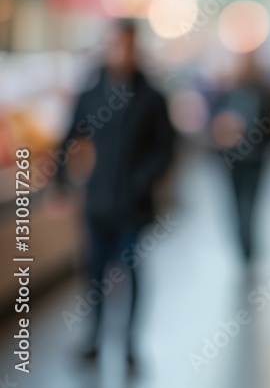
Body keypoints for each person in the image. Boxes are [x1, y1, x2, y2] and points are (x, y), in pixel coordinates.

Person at [53, 19, 176, 371]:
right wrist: (62, 184)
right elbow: (68, 137)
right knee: (94, 274)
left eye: (126, 46)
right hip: (96, 203)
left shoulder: (151, 95)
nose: (120, 52)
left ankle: (130, 343)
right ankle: (93, 338)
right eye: (114, 45)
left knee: (132, 273)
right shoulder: (91, 92)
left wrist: (143, 179)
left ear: (135, 48)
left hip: (134, 207)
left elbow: (166, 148)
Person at [209, 52, 270, 263]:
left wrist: (265, 142)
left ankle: (249, 249)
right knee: (235, 204)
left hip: (256, 160)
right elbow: (215, 122)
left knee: (250, 204)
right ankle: (242, 247)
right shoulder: (229, 92)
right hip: (232, 160)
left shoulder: (266, 92)